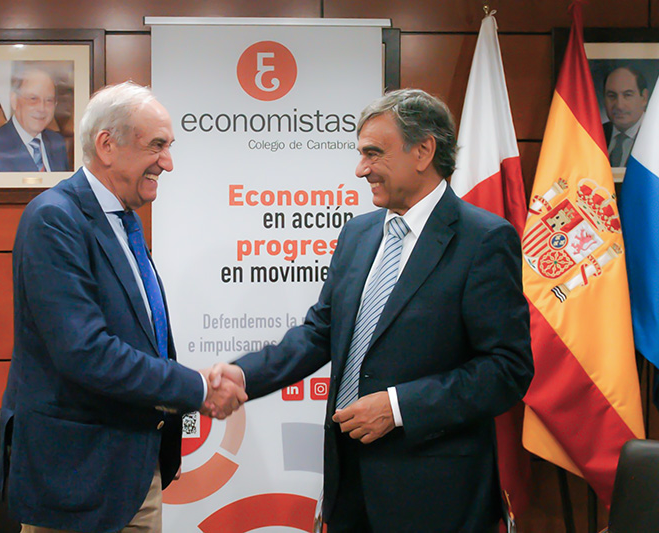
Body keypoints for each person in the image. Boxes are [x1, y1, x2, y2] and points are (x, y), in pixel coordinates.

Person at [210, 89, 533, 532]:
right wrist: (245, 375)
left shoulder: (483, 240)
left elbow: (507, 370)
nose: (361, 169)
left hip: (435, 496)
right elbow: (320, 332)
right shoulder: (358, 234)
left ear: (423, 151)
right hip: (349, 483)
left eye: (373, 153)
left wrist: (399, 407)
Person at [0, 81, 246, 533]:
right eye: (156, 146)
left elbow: (141, 336)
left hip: (134, 469)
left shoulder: (123, 221)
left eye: (168, 147)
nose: (168, 163)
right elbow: (85, 352)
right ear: (107, 146)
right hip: (76, 479)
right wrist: (195, 387)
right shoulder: (54, 219)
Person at [0, 67, 70, 172]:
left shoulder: (58, 143)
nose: (41, 108)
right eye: (33, 99)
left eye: (49, 100)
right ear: (14, 100)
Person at [603, 65, 649, 167]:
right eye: (611, 96)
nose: (619, 105)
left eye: (627, 95)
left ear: (644, 98)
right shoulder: (594, 135)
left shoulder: (654, 135)